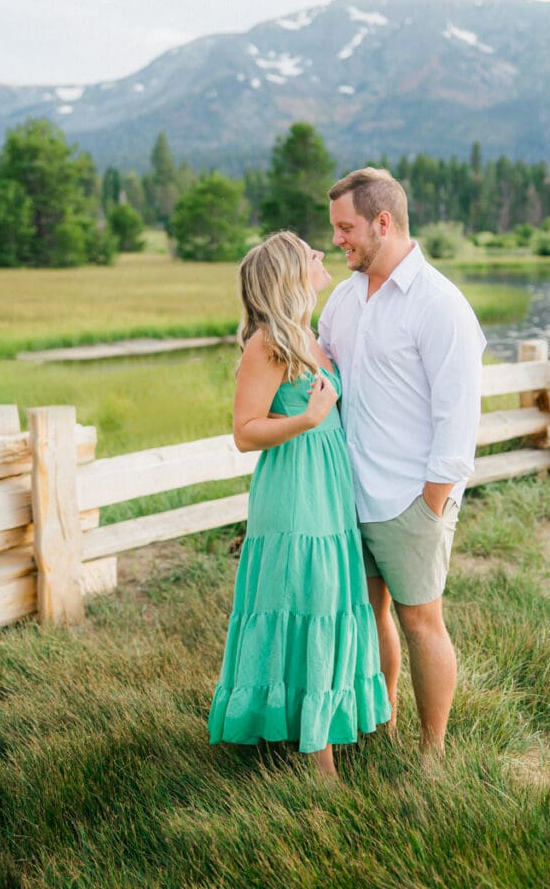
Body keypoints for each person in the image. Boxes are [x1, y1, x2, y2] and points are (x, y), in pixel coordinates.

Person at [208, 231, 391, 777]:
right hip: (294, 490)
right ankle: (319, 758)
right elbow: (245, 431)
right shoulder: (266, 343)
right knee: (310, 601)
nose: (321, 255)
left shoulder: (310, 337)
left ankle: (320, 722)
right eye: (311, 253)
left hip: (329, 486)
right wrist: (307, 421)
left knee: (333, 600)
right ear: (291, 274)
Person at [318, 168, 486, 759]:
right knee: (369, 615)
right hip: (349, 494)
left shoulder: (440, 305)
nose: (338, 239)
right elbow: (319, 370)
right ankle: (382, 724)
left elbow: (458, 416)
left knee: (422, 624)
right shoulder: (343, 299)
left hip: (411, 499)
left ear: (382, 223)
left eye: (346, 228)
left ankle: (432, 755)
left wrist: (433, 502)